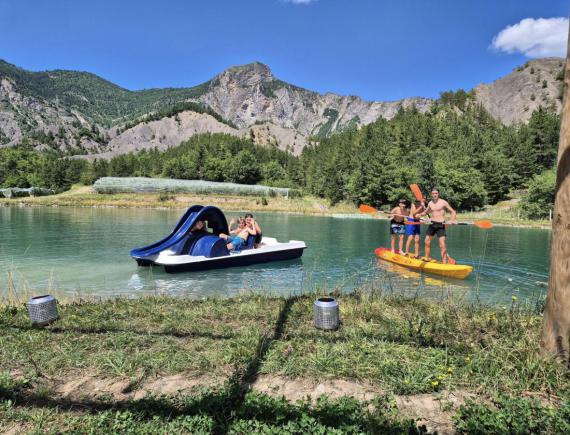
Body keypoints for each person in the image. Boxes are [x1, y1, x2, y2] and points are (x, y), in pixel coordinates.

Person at [419, 188, 456, 264]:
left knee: (442, 244)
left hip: (441, 225)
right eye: (433, 193)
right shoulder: (430, 203)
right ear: (431, 194)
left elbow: (453, 211)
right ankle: (427, 258)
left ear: (438, 194)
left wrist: (452, 220)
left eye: (436, 193)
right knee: (426, 241)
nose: (434, 195)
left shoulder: (443, 202)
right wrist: (419, 214)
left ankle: (444, 262)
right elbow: (426, 212)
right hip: (432, 224)